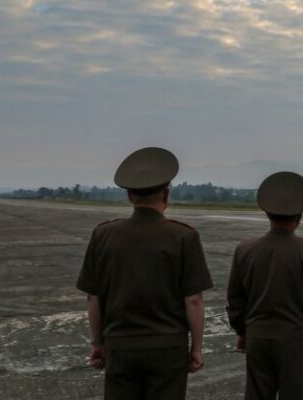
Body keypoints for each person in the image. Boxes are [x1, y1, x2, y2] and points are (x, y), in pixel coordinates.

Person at [76, 147, 213, 400]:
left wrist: (97, 344)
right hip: (168, 349)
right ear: (166, 193)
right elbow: (193, 299)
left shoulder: (103, 235)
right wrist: (196, 348)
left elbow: (92, 297)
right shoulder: (184, 236)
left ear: (129, 195)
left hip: (120, 345)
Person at [226, 171, 303, 400]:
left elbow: (235, 301)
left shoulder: (245, 250)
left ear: (267, 214)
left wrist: (242, 331)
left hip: (257, 338)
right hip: (296, 341)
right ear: (299, 217)